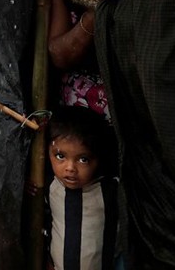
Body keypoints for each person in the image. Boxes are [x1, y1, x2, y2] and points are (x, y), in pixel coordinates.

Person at [47, 105, 118, 270]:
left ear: (98, 159)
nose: (70, 168)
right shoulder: (50, 186)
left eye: (83, 159)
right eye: (60, 156)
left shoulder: (111, 189)